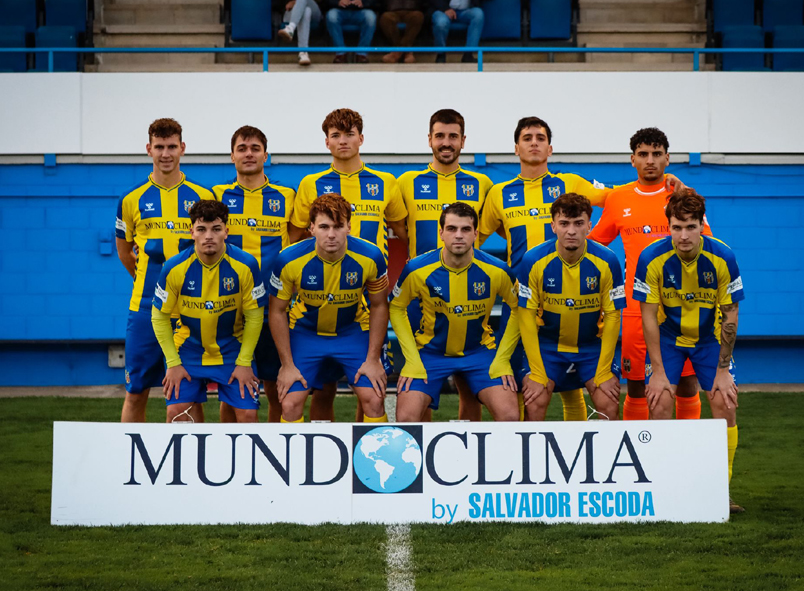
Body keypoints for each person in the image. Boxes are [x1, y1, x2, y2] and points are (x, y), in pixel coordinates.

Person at [478, 116, 682, 422]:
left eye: (541, 138)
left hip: (573, 292)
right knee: (528, 385)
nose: (534, 143)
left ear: (550, 148)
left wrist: (667, 182)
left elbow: (617, 196)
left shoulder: (569, 183)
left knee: (570, 375)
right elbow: (475, 239)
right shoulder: (498, 193)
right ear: (516, 148)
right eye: (527, 138)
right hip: (522, 299)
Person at [290, 108, 407, 421]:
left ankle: (364, 453)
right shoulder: (311, 183)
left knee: (369, 386)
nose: (343, 141)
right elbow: (296, 236)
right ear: (326, 142)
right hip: (322, 295)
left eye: (349, 134)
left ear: (361, 138)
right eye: (336, 135)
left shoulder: (385, 182)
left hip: (369, 296)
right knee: (323, 388)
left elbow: (402, 230)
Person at [589, 127, 712, 421]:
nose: (650, 160)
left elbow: (707, 243)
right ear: (633, 160)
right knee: (636, 385)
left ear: (667, 158)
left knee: (685, 382)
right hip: (635, 306)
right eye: (643, 154)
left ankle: (684, 449)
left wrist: (684, 194)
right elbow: (593, 247)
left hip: (682, 306)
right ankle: (639, 450)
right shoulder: (618, 198)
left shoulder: (683, 196)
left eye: (657, 154)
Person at [634, 189, 744, 513]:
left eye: (690, 227)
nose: (683, 235)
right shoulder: (651, 258)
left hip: (708, 341)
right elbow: (648, 316)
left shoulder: (723, 257)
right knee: (660, 399)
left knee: (725, 402)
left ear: (701, 225)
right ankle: (662, 488)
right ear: (668, 226)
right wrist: (657, 372)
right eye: (677, 227)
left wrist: (722, 371)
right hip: (668, 339)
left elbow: (731, 315)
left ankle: (719, 491)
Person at [115, 118, 214, 423]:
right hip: (145, 307)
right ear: (149, 149)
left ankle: (191, 466)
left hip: (189, 309)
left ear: (182, 148)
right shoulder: (131, 200)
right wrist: (151, 283)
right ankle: (129, 464)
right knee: (136, 390)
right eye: (159, 147)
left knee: (187, 392)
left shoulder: (202, 196)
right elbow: (125, 253)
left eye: (172, 146)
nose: (166, 153)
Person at [398, 108, 492, 421]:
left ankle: (467, 458)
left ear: (464, 141)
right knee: (421, 388)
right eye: (440, 135)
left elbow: (487, 230)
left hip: (469, 294)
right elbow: (401, 229)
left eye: (453, 136)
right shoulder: (407, 182)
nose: (446, 142)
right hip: (420, 297)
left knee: (471, 386)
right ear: (429, 139)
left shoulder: (483, 183)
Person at [390, 203, 520, 422]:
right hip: (430, 353)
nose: (458, 235)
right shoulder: (416, 269)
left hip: (479, 352)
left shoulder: (498, 270)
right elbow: (396, 307)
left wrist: (503, 358)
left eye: (465, 229)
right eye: (451, 229)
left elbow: (519, 308)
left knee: (509, 416)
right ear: (441, 233)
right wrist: (411, 360)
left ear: (476, 234)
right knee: (406, 419)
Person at [269, 193, 390, 423]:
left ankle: (373, 457)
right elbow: (277, 311)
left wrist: (373, 359)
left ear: (349, 227)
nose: (332, 234)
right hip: (306, 333)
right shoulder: (288, 259)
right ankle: (295, 459)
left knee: (375, 398)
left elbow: (379, 305)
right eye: (324, 227)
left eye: (338, 226)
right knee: (290, 402)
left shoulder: (371, 256)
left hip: (352, 331)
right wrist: (286, 365)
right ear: (312, 228)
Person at [152, 200, 266, 423]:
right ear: (191, 231)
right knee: (177, 414)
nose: (209, 236)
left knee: (248, 416)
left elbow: (254, 316)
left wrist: (244, 362)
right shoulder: (173, 268)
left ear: (226, 231)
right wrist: (173, 363)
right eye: (202, 229)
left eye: (216, 229)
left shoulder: (246, 264)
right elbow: (159, 316)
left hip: (232, 349)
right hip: (188, 349)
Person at [517, 193, 626, 421]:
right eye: (564, 224)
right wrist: (536, 370)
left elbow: (614, 316)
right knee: (534, 400)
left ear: (589, 225)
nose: (572, 231)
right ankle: (533, 456)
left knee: (608, 400)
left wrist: (604, 368)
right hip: (548, 347)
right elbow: (525, 316)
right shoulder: (533, 260)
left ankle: (607, 456)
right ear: (553, 226)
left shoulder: (608, 260)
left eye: (578, 223)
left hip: (591, 348)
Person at [213, 125, 296, 423]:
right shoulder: (218, 196)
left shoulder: (287, 195)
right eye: (242, 148)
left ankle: (272, 448)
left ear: (266, 155)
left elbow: (296, 246)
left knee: (276, 387)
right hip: (233, 309)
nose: (249, 154)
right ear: (232, 155)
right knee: (232, 387)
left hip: (275, 308)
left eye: (255, 148)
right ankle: (228, 448)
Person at [277, 0, 322, 66]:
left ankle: (291, 28)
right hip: (291, 12)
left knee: (304, 4)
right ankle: (303, 52)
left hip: (314, 11)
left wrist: (296, 1)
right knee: (306, 11)